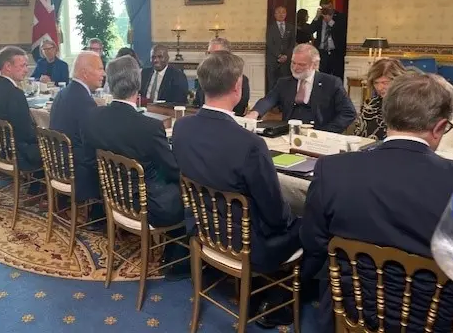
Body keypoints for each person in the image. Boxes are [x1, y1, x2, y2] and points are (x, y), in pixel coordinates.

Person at [300, 73, 453, 332]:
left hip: (352, 311)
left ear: (386, 115)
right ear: (439, 127)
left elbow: (312, 241)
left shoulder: (332, 169)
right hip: (435, 320)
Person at [173, 50, 301, 328]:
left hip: (203, 230)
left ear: (201, 85)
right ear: (237, 88)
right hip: (247, 246)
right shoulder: (250, 144)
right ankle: (282, 300)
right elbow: (275, 215)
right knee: (311, 223)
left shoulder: (181, 127)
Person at [83, 55, 185, 272]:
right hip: (146, 205)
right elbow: (174, 171)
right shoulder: (149, 127)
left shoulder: (92, 116)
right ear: (138, 84)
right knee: (190, 192)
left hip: (114, 198)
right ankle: (179, 260)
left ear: (109, 82)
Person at [247, 44, 356, 133]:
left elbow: (349, 112)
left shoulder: (331, 83)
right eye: (293, 63)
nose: (295, 68)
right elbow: (269, 99)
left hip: (320, 133)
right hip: (289, 132)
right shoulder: (284, 82)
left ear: (314, 64)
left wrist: (328, 132)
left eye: (301, 64)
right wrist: (255, 113)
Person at [49, 51, 105, 201]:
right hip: (75, 171)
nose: (103, 73)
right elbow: (91, 143)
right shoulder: (84, 101)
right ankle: (98, 217)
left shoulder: (63, 92)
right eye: (100, 69)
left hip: (58, 164)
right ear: (85, 73)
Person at [0, 46, 40, 171]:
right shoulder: (15, 93)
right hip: (17, 152)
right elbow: (26, 133)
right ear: (8, 67)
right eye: (23, 65)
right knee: (58, 147)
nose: (26, 70)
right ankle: (39, 185)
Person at [193, 37, 250, 116]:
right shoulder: (204, 76)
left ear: (228, 56)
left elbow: (240, 110)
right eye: (209, 53)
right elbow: (197, 103)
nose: (210, 58)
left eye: (215, 54)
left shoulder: (241, 79)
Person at [353, 58, 406, 140]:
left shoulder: (410, 107)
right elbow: (358, 135)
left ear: (399, 81)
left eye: (385, 83)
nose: (379, 87)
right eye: (376, 83)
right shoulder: (369, 105)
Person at [310, 0, 347, 81]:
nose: (326, 10)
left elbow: (341, 32)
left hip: (336, 53)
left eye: (328, 7)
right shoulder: (319, 18)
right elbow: (310, 30)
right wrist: (316, 18)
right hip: (322, 53)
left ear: (332, 6)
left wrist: (330, 21)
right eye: (324, 8)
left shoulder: (341, 16)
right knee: (321, 78)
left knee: (337, 77)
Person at [266, 6, 296, 92]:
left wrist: (286, 56)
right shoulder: (270, 28)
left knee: (286, 83)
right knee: (272, 84)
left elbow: (292, 44)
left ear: (286, 14)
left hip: (286, 61)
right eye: (278, 12)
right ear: (275, 14)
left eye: (283, 12)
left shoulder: (291, 27)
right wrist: (279, 55)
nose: (281, 14)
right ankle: (272, 104)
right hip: (273, 60)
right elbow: (270, 44)